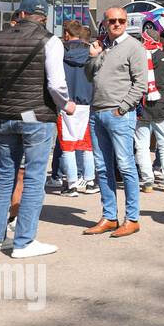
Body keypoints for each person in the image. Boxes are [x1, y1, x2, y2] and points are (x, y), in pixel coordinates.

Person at [0, 0, 73, 257]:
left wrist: (1, 100)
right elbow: (56, 84)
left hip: (5, 115)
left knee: (4, 176)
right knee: (33, 177)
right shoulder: (50, 40)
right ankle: (24, 242)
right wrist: (66, 104)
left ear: (20, 14)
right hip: (35, 116)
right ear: (43, 17)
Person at [83, 6, 147, 239]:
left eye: (121, 20)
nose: (117, 24)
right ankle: (109, 217)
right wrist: (93, 57)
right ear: (105, 22)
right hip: (97, 112)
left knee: (126, 166)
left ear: (126, 22)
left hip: (119, 114)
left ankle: (132, 219)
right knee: (102, 167)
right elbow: (89, 75)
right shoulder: (102, 46)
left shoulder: (134, 47)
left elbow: (140, 84)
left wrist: (123, 108)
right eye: (112, 21)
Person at [135, 26, 164, 194]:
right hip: (161, 105)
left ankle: (147, 182)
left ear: (145, 41)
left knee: (142, 146)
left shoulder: (137, 58)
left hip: (141, 105)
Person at [56, 22, 97, 197]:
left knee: (67, 146)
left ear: (66, 34)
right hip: (87, 102)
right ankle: (90, 181)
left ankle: (71, 184)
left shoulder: (59, 51)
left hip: (66, 102)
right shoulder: (92, 52)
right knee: (86, 145)